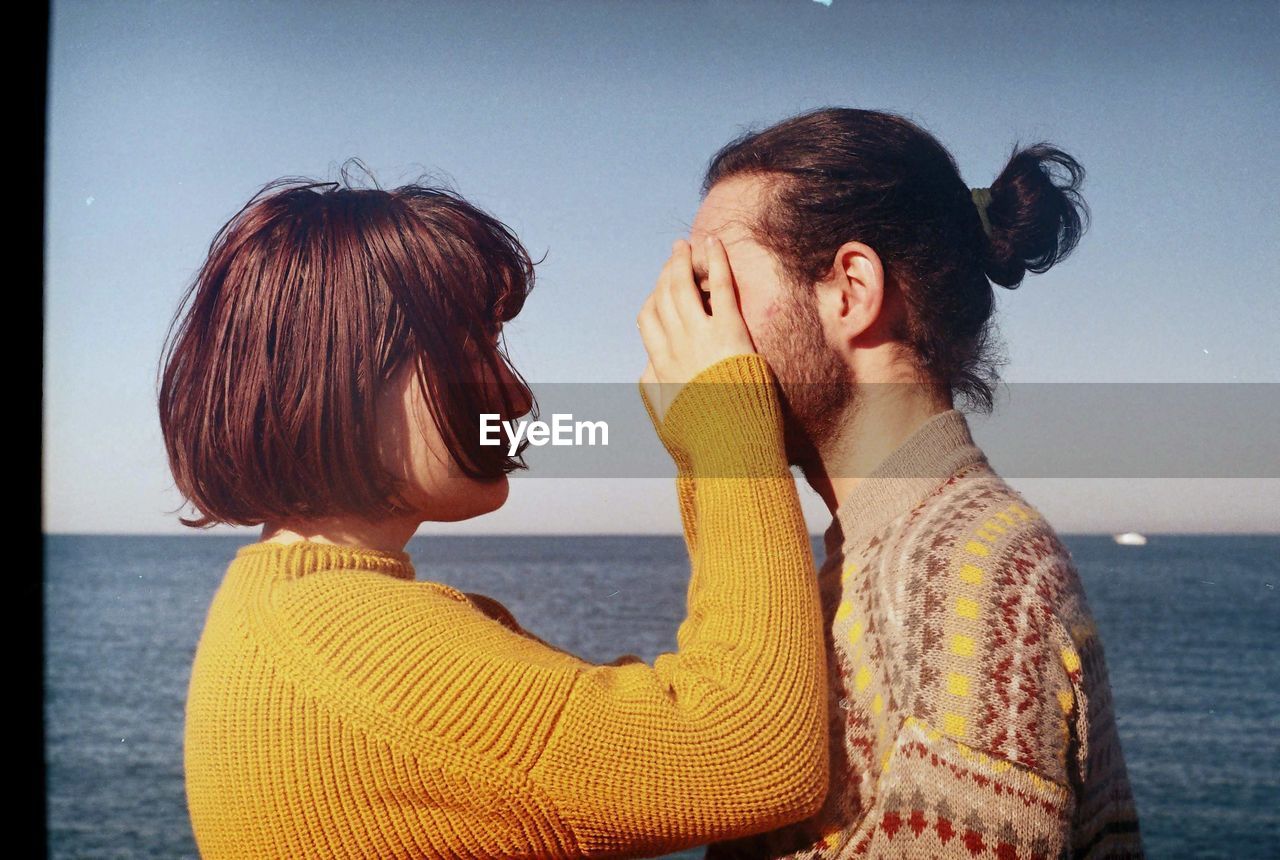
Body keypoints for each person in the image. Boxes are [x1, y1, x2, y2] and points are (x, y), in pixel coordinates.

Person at [157, 173, 830, 858]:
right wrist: (720, 415)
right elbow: (754, 753)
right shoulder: (344, 644)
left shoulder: (286, 615)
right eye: (469, 349)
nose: (512, 394)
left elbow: (660, 730)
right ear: (342, 370)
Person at [673, 108, 1145, 858]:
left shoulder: (965, 578)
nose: (692, 325)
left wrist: (714, 433)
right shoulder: (880, 558)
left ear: (850, 290)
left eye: (715, 283)